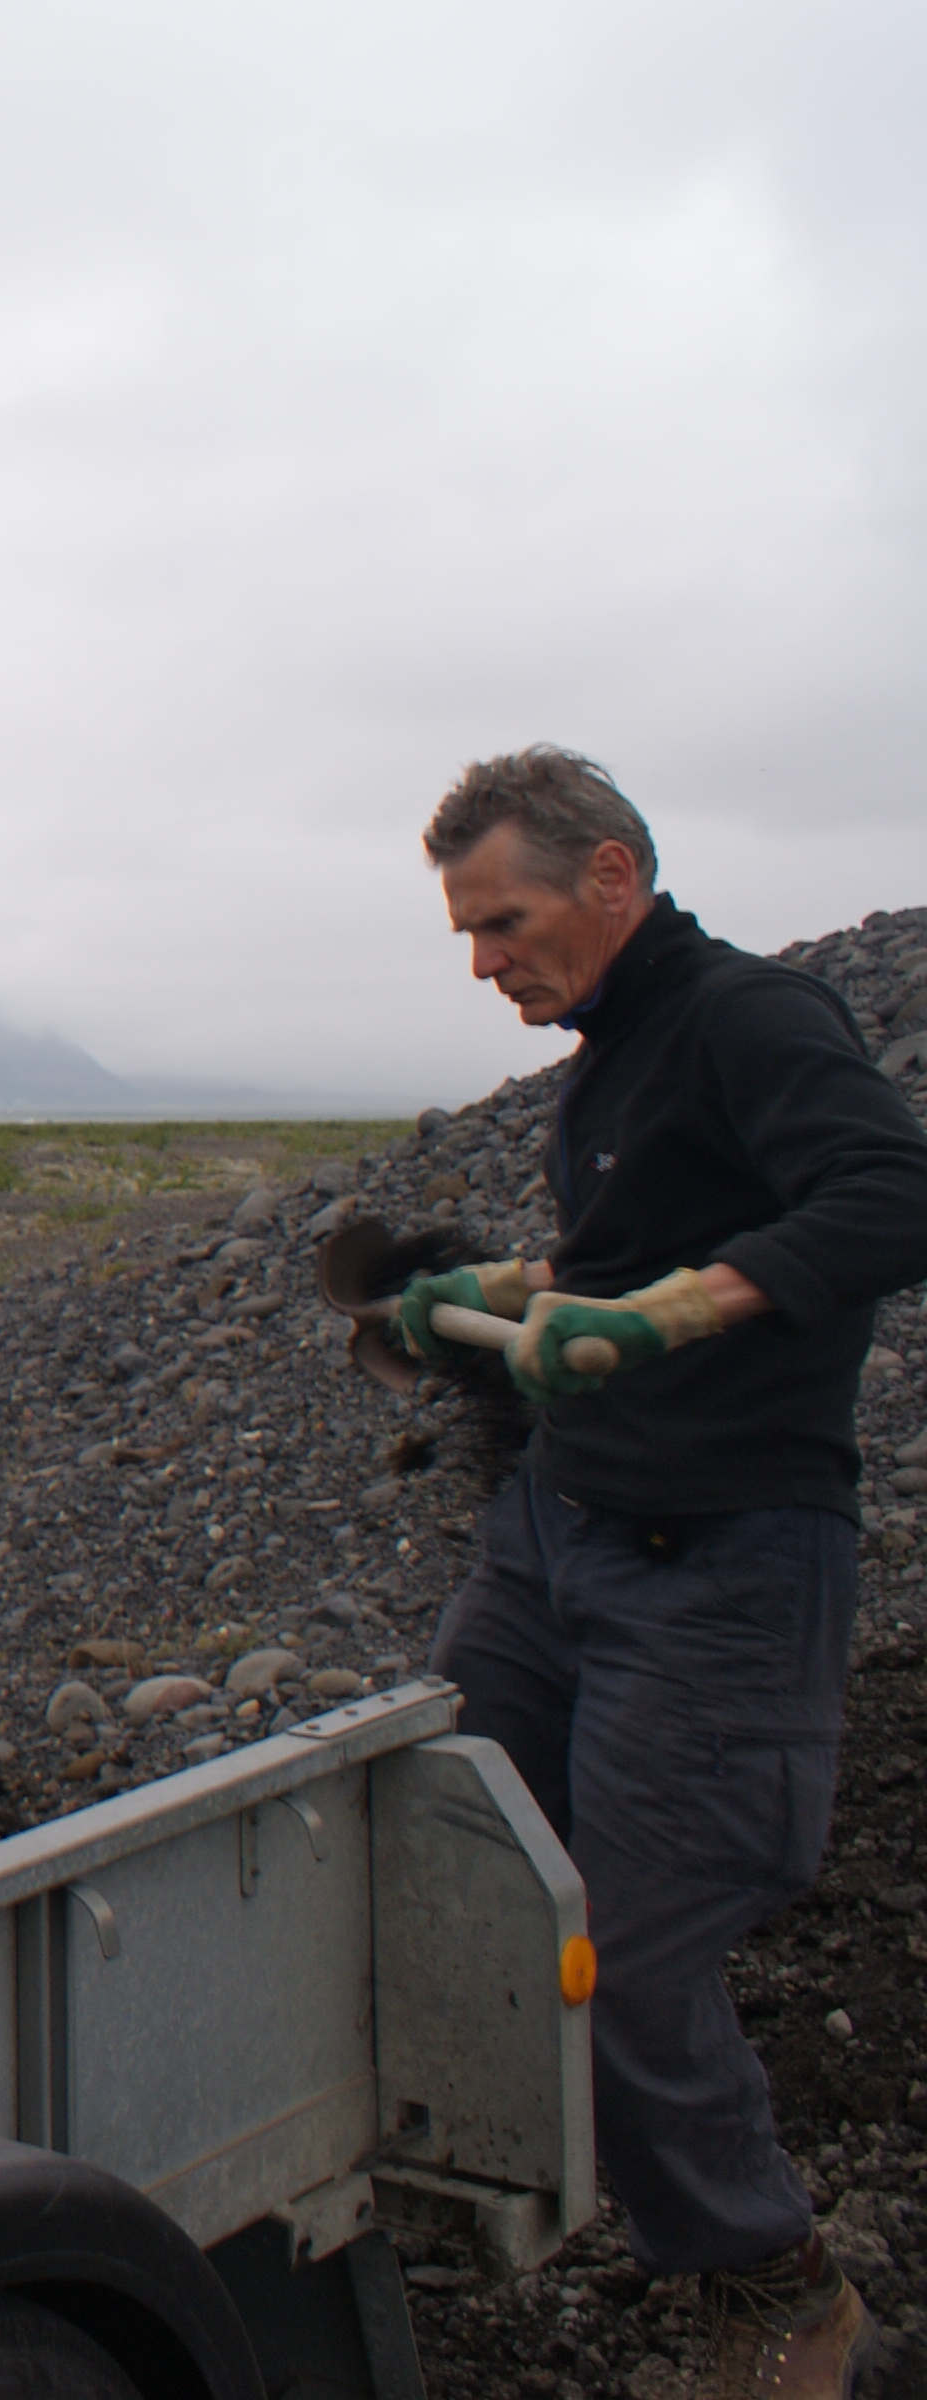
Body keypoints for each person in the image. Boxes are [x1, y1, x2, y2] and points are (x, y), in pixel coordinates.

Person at [392, 747, 927, 2400]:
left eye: (503, 920)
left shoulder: (749, 1016)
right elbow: (628, 1254)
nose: (483, 961)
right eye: (465, 933)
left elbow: (886, 1194)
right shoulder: (614, 1057)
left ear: (610, 874)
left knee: (624, 1952)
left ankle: (777, 2290)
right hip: (558, 1539)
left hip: (714, 1564)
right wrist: (496, 1282)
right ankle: (454, 2164)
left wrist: (672, 1316)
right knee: (441, 1836)